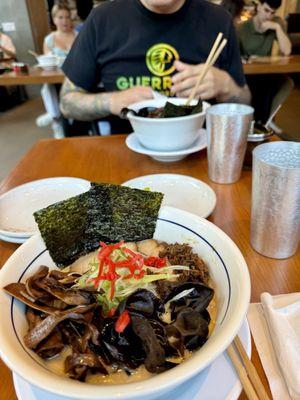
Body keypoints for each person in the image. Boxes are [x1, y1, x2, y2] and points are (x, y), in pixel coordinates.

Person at [60, 0, 251, 135]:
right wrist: (113, 100)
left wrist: (225, 85)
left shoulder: (218, 20)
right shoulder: (102, 19)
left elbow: (244, 100)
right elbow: (67, 103)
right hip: (125, 157)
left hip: (200, 154)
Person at [237, 0, 293, 128]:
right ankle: (257, 123)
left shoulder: (276, 23)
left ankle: (264, 123)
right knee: (259, 84)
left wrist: (277, 28)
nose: (269, 16)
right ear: (259, 7)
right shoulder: (243, 28)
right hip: (247, 76)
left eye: (273, 13)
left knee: (284, 82)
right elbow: (237, 58)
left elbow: (287, 50)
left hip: (266, 74)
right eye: (266, 11)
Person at [36, 2, 77, 138]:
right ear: (54, 19)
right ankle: (56, 121)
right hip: (56, 78)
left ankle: (54, 115)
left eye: (67, 17)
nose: (64, 21)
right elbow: (48, 63)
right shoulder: (49, 40)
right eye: (60, 17)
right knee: (47, 87)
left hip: (76, 76)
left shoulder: (78, 36)